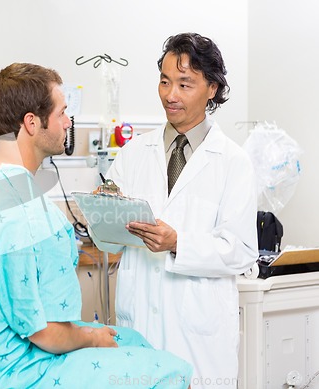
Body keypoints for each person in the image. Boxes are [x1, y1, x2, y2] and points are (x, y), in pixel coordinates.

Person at [0, 62, 192, 388]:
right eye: (62, 113)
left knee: (130, 338)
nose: (68, 122)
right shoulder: (22, 208)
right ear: (32, 122)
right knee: (174, 372)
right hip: (12, 371)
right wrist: (93, 338)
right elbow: (44, 332)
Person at [93, 33, 259, 388]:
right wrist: (103, 213)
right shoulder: (135, 153)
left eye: (185, 84)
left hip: (198, 337)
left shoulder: (233, 162)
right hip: (140, 330)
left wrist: (177, 242)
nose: (171, 95)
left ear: (212, 88)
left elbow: (242, 251)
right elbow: (109, 245)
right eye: (165, 82)